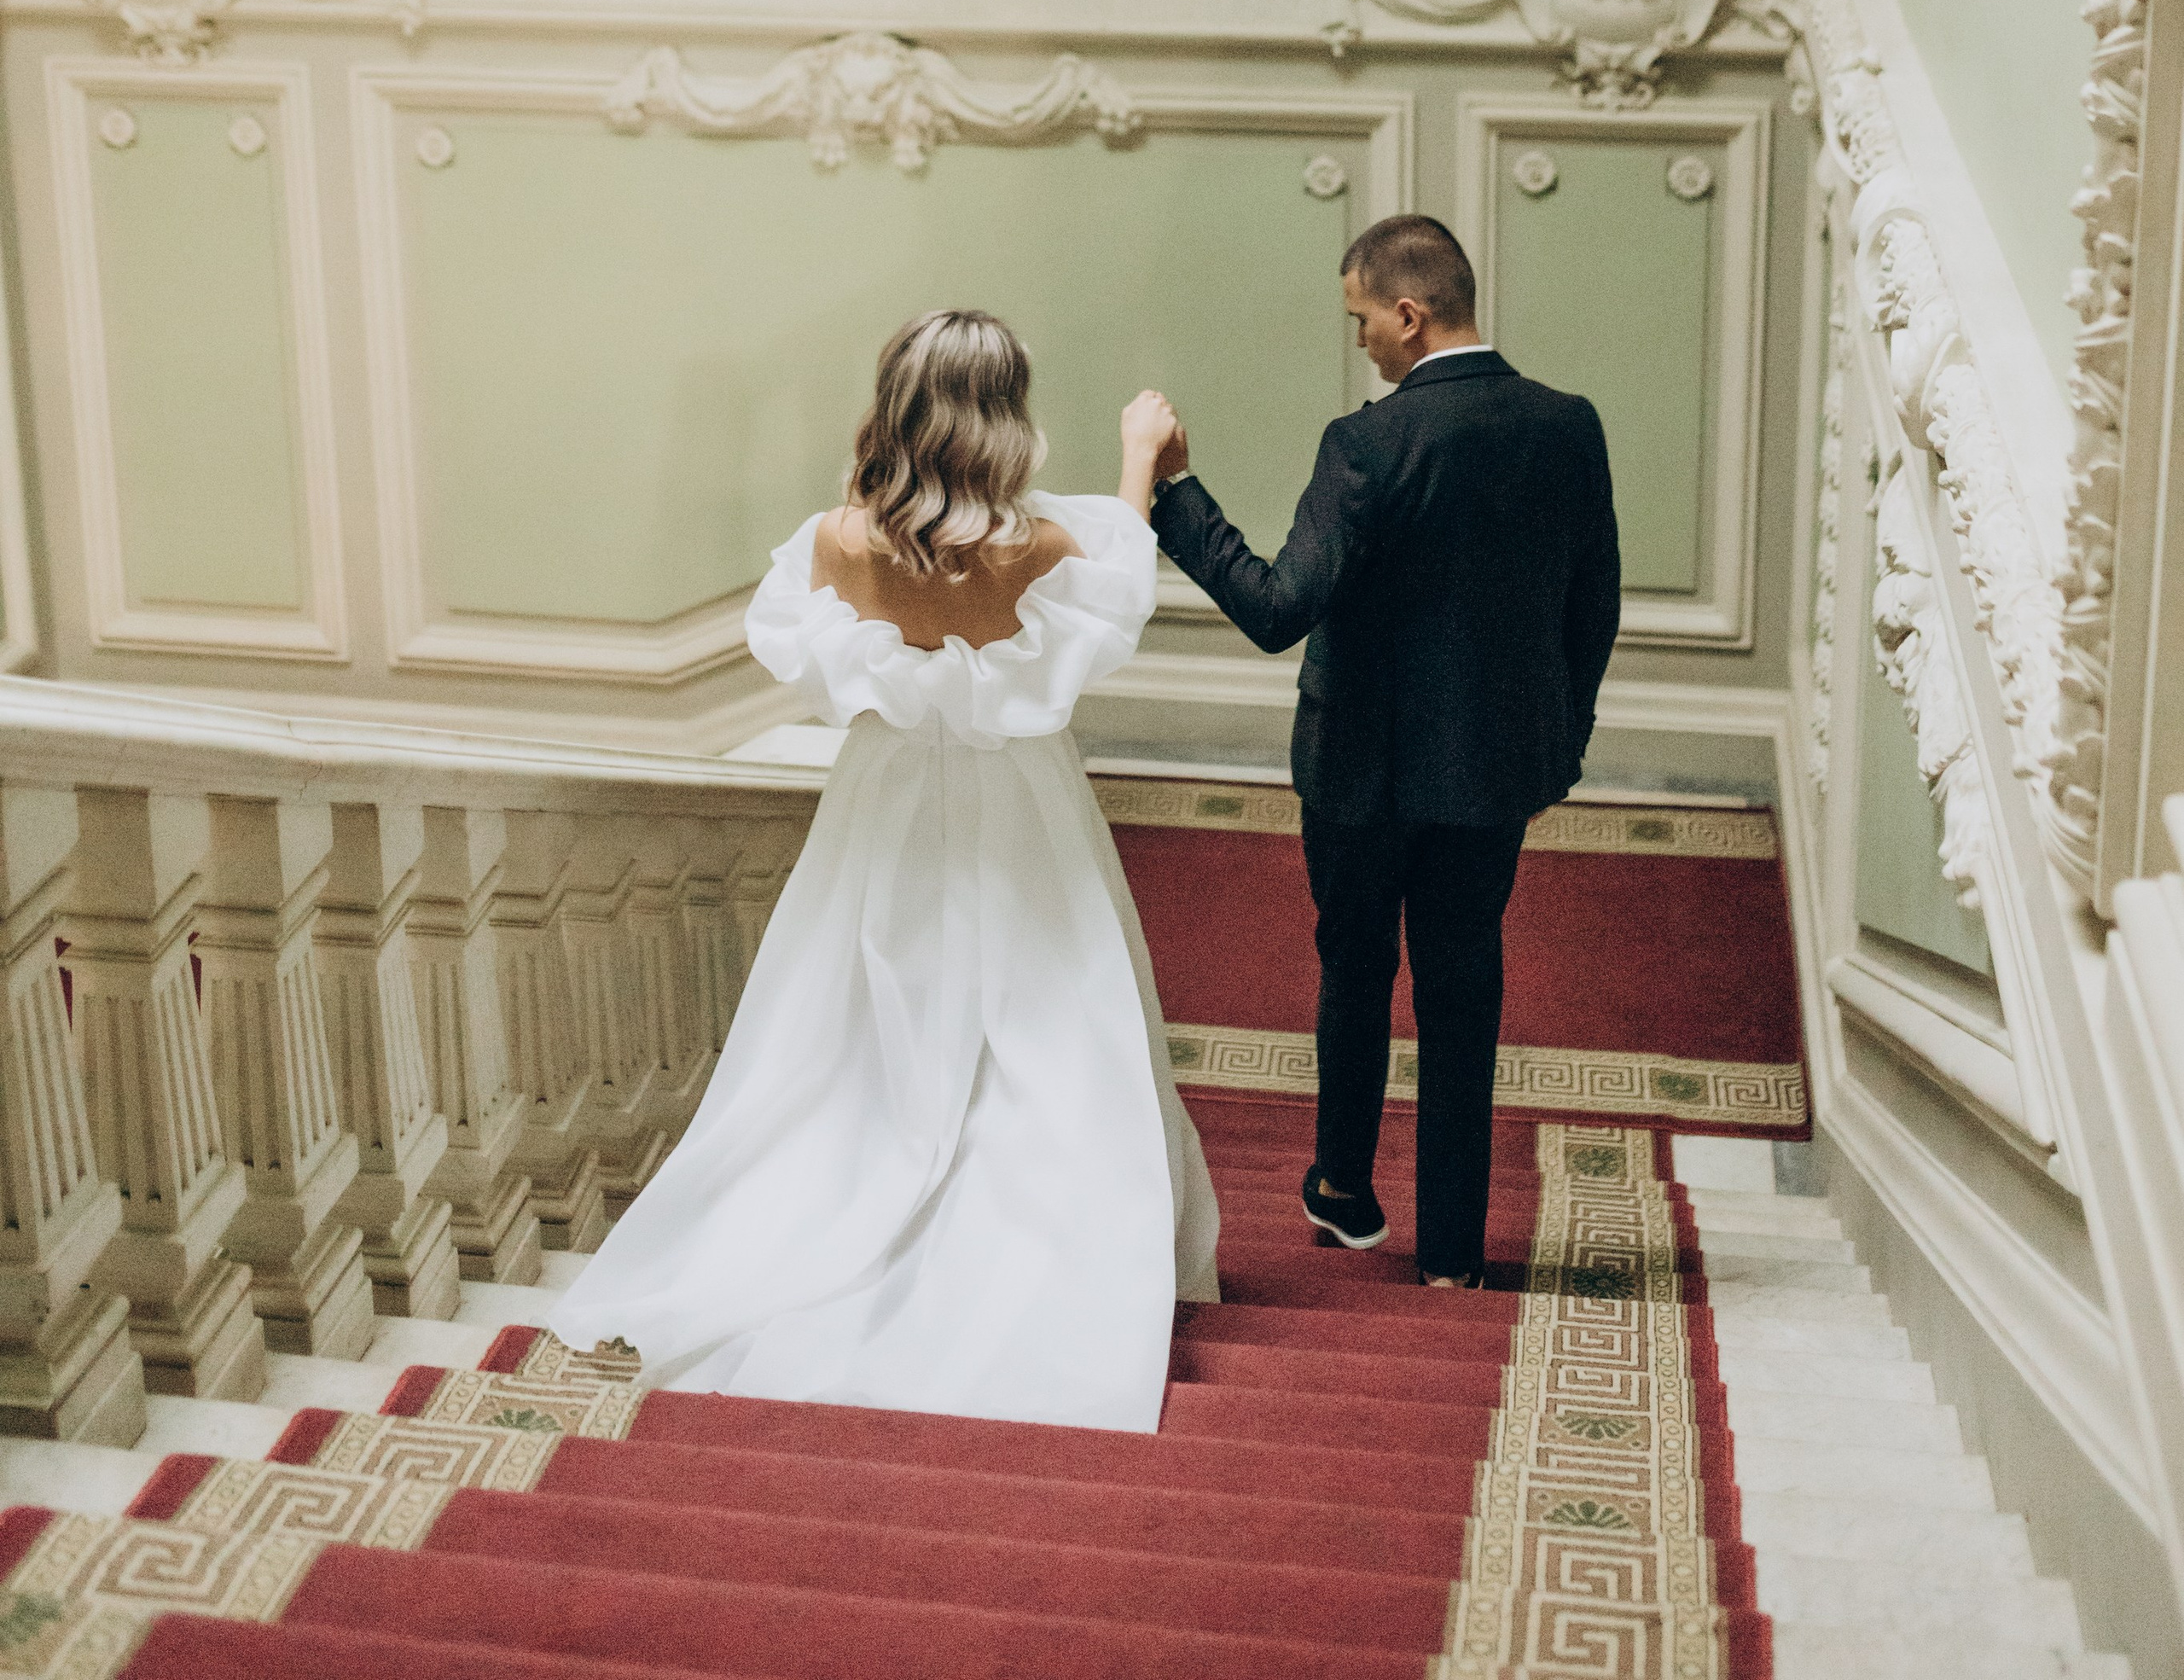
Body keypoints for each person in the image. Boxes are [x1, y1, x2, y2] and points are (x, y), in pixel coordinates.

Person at [551, 309, 1219, 1431]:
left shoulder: (834, 542)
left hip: (890, 802)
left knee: (852, 1023)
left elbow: (840, 599)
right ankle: (1045, 1240)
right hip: (1021, 805)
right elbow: (1120, 576)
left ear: (894, 411)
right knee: (1049, 1017)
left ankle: (840, 1207)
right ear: (1006, 417)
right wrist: (1143, 457)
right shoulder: (1041, 551)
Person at [1136, 211, 1619, 1288]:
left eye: (1362, 320)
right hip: (1492, 775)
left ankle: (1344, 1191)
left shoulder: (1366, 444)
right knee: (1464, 990)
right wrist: (1557, 751)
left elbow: (1274, 609)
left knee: (1355, 967)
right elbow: (1595, 609)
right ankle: (1451, 1253)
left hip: (1359, 777)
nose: (1359, 340)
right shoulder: (1567, 425)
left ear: (1409, 314)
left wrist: (1176, 495)